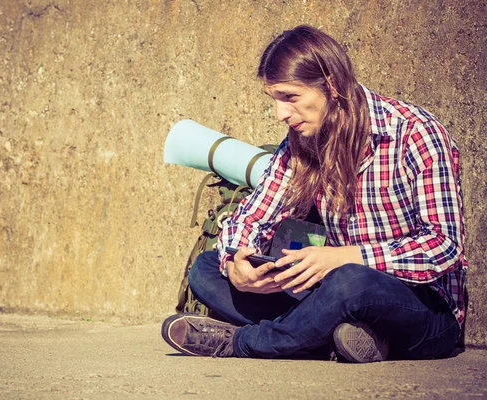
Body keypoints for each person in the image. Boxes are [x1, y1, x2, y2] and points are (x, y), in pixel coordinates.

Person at [161, 25, 467, 362]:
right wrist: (237, 263)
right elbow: (252, 216)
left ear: (332, 85)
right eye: (275, 100)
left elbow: (444, 246)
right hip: (330, 293)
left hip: (422, 309)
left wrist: (348, 256)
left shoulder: (416, 134)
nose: (281, 114)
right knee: (206, 269)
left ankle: (244, 343)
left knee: (353, 282)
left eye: (290, 97)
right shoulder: (301, 142)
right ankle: (338, 339)